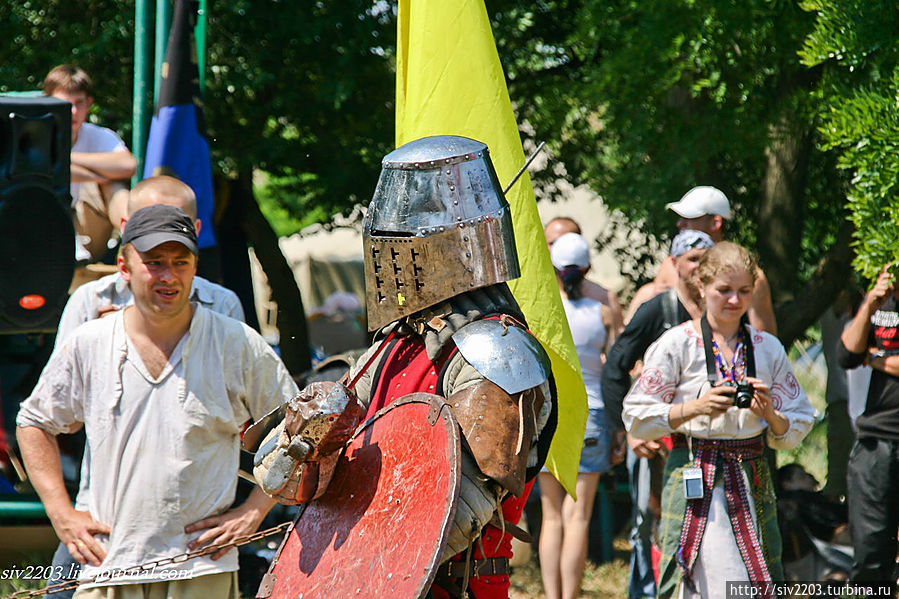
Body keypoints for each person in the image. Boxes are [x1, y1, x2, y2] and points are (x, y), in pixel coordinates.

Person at [249, 135, 557, 599]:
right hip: (359, 578)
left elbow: (449, 521)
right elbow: (281, 479)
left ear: (450, 247)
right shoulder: (393, 344)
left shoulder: (499, 356)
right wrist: (307, 442)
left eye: (402, 236)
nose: (388, 248)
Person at [16, 204, 299, 597]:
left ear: (195, 267)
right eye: (154, 262)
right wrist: (61, 515)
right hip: (104, 565)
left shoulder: (237, 344)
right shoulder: (90, 342)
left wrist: (253, 511)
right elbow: (34, 422)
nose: (168, 276)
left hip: (203, 569)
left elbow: (302, 433)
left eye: (180, 262)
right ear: (124, 266)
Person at [44, 176, 246, 598]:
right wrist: (108, 348)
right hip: (104, 521)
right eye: (148, 227)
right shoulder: (89, 304)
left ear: (196, 234)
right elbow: (56, 421)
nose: (163, 244)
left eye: (177, 228)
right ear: (124, 231)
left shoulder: (222, 307)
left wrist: (254, 508)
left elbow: (252, 422)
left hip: (192, 537)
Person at [623, 242, 814, 598]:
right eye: (723, 290)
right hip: (693, 467)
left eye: (744, 291)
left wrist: (768, 413)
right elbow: (637, 415)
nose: (733, 300)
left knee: (754, 576)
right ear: (702, 286)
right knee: (703, 573)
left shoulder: (766, 347)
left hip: (752, 474)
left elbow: (797, 422)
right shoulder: (677, 344)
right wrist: (697, 407)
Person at [601, 229, 714, 599]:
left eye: (706, 259)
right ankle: (648, 593)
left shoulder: (724, 312)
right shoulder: (658, 308)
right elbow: (616, 365)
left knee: (706, 526)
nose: (699, 267)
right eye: (693, 259)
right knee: (650, 523)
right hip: (657, 439)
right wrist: (629, 430)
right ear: (675, 263)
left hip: (712, 444)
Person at [537, 232, 609, 599]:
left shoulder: (542, 315)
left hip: (549, 416)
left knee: (551, 516)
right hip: (593, 415)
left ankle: (552, 597)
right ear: (588, 268)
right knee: (578, 516)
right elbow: (614, 368)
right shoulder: (604, 311)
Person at [624, 187, 777, 335]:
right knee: (645, 292)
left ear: (715, 223)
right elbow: (649, 323)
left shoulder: (751, 276)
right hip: (678, 357)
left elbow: (764, 341)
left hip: (726, 357)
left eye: (688, 218)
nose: (680, 224)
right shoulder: (670, 266)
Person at [837, 264, 899, 593]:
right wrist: (871, 304)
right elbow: (847, 354)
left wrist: (875, 358)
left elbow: (864, 357)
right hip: (876, 444)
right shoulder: (879, 307)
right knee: (871, 558)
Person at [42, 64, 137, 261]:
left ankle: (134, 236)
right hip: (42, 227)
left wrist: (66, 159)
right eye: (66, 105)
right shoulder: (34, 133)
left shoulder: (99, 136)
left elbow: (128, 166)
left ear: (89, 104)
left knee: (114, 183)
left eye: (79, 103)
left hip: (90, 233)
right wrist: (93, 173)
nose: (74, 112)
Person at [544, 217, 624, 337]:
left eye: (565, 241)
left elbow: (618, 348)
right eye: (552, 243)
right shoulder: (535, 296)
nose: (559, 249)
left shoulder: (605, 297)